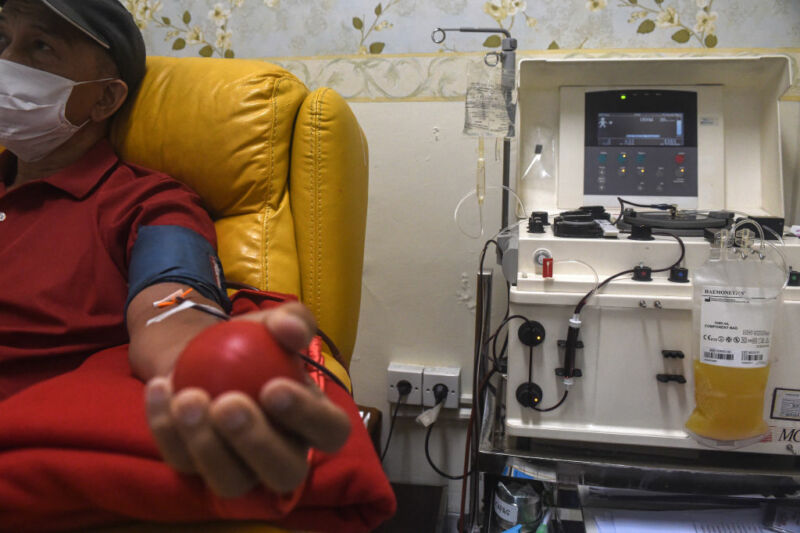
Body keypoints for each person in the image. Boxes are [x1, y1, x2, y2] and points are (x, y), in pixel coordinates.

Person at [0, 0, 350, 499]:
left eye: (40, 46)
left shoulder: (146, 204)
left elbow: (173, 306)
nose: (9, 63)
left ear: (103, 100)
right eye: (2, 40)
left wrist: (203, 364)